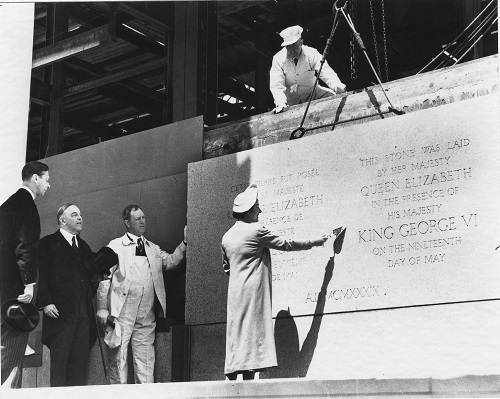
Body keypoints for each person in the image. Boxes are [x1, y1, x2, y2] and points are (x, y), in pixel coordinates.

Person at [221, 184, 328, 380]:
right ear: (249, 211)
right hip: (253, 293)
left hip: (235, 293)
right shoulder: (255, 230)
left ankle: (233, 384)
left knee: (238, 336)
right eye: (257, 208)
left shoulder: (227, 237)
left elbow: (226, 268)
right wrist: (313, 241)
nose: (259, 211)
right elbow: (286, 244)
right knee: (252, 339)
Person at [96, 204, 187, 384]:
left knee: (145, 362)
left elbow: (170, 262)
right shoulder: (115, 246)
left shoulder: (152, 248)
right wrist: (102, 308)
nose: (142, 221)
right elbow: (104, 277)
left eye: (144, 217)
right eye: (137, 219)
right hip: (121, 313)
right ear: (127, 222)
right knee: (118, 359)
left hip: (146, 314)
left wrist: (185, 243)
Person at [36, 204, 102, 386]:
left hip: (83, 316)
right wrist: (46, 302)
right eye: (74, 215)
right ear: (62, 220)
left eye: (80, 214)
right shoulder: (47, 243)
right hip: (60, 315)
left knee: (79, 366)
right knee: (60, 367)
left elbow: (89, 281)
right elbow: (41, 275)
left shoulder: (84, 246)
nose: (80, 218)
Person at [0, 161, 50, 388]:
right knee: (12, 352)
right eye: (46, 179)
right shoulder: (27, 206)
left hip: (2, 292)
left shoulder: (6, 205)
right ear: (35, 178)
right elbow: (25, 249)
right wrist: (29, 284)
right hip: (16, 293)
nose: (48, 185)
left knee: (3, 348)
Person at [269, 25, 346, 113]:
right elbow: (276, 85)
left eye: (294, 45)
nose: (292, 50)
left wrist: (338, 87)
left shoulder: (312, 53)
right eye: (288, 46)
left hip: (312, 94)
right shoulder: (278, 58)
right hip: (291, 101)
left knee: (334, 97)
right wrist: (281, 103)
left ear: (301, 42)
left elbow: (326, 72)